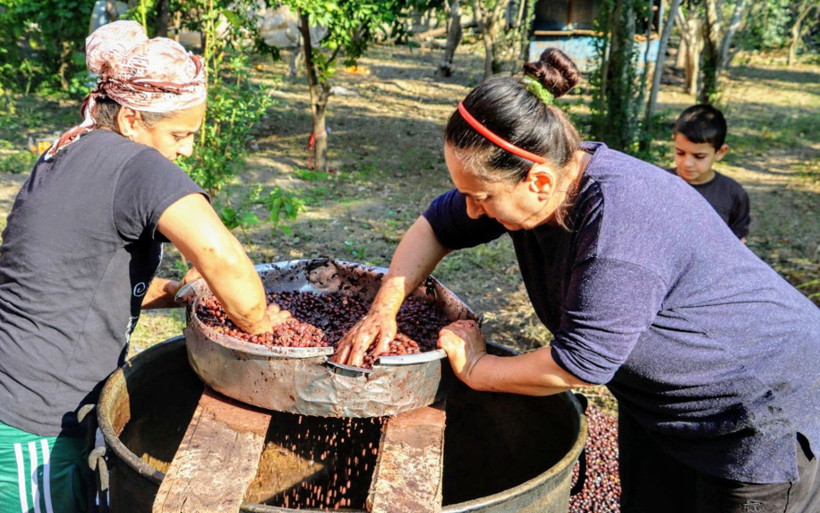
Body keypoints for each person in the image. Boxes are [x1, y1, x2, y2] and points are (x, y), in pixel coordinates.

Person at [334, 48, 820, 513]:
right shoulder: (527, 182)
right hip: (662, 406)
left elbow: (579, 365)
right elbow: (433, 227)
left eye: (479, 196)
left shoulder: (618, 227)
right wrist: (384, 309)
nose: (470, 209)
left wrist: (478, 368)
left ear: (540, 182)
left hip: (754, 414)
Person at [0, 21, 289, 512]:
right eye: (179, 134)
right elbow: (226, 263)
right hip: (31, 419)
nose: (187, 149)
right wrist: (266, 328)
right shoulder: (136, 165)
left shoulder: (70, 150)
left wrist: (178, 291)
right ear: (132, 120)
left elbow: (78, 278)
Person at [669, 104, 751, 242]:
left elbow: (737, 243)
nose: (687, 163)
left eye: (699, 156)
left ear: (720, 152)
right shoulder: (658, 183)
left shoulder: (733, 194)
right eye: (680, 152)